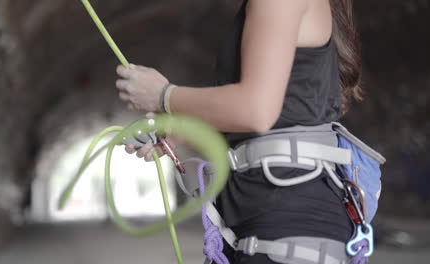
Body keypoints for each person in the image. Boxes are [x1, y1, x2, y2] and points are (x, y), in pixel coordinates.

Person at [115, 0, 364, 263]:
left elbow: (257, 110)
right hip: (262, 221)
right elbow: (285, 108)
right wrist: (179, 129)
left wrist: (164, 96)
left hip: (286, 224)